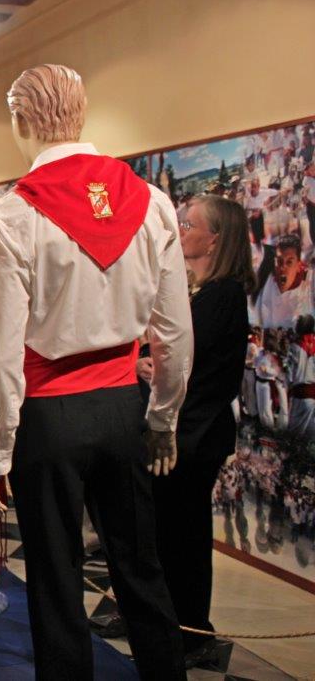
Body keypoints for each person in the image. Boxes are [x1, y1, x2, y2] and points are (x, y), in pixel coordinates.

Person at [0, 64, 192, 680]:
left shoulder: (10, 217)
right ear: (82, 112)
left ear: (20, 120)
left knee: (56, 579)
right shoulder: (151, 203)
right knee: (141, 568)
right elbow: (175, 332)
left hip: (48, 417)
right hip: (123, 408)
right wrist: (163, 417)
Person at [144, 195, 254, 668]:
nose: (181, 230)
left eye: (189, 224)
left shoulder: (222, 295)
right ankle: (165, 622)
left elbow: (187, 361)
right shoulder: (204, 292)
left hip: (194, 435)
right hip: (186, 431)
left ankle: (189, 630)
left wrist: (154, 367)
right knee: (167, 533)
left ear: (215, 240)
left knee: (182, 538)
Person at [255, 234, 315, 328]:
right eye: (279, 261)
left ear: (298, 265)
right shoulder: (266, 282)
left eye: (289, 262)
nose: (283, 268)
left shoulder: (309, 286)